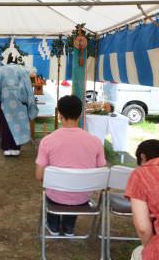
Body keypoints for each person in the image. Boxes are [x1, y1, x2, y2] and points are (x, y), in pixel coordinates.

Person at [35, 95, 106, 236]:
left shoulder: (48, 141)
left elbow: (39, 176)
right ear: (80, 114)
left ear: (59, 114)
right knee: (76, 188)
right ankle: (69, 227)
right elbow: (101, 174)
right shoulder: (95, 141)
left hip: (55, 196)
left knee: (57, 191)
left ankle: (53, 226)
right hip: (83, 197)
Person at [0, 54, 38, 157]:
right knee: (18, 125)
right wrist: (26, 101)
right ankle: (16, 148)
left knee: (5, 125)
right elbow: (27, 88)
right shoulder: (22, 70)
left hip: (4, 102)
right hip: (19, 102)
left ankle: (6, 148)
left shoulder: (1, 70)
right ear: (17, 60)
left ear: (6, 61)